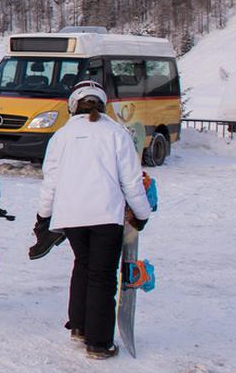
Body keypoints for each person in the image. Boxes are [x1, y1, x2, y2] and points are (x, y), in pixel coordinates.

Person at [35, 81, 152, 360]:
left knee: (83, 266)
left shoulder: (61, 137)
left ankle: (79, 326)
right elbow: (131, 182)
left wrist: (43, 216)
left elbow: (50, 183)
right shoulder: (117, 134)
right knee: (102, 276)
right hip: (105, 215)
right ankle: (99, 343)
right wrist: (142, 213)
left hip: (70, 215)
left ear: (72, 105)